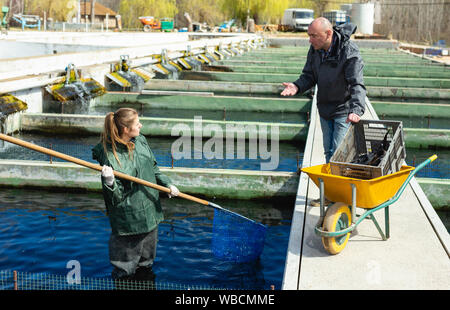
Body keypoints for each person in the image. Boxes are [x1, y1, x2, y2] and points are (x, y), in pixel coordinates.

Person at [92, 107, 180, 281]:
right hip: (129, 223)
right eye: (137, 123)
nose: (141, 125)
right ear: (126, 129)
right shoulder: (111, 156)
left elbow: (153, 168)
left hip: (150, 213)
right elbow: (115, 199)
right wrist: (109, 182)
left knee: (146, 266)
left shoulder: (140, 140)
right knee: (124, 271)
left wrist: (168, 184)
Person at [281, 17, 366, 163]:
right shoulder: (315, 50)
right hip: (324, 109)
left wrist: (356, 110)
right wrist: (297, 86)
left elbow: (356, 83)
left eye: (313, 36)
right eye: (309, 35)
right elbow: (309, 75)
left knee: (338, 153)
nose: (310, 40)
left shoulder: (348, 51)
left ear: (328, 34)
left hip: (343, 111)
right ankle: (331, 184)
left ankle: (341, 184)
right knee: (328, 152)